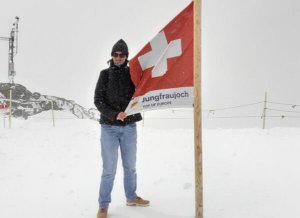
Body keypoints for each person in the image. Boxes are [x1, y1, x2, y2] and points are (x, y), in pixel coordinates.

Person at [94, 39, 150, 218]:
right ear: (112, 55)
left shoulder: (133, 74)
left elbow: (142, 92)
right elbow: (98, 100)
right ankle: (103, 206)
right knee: (109, 169)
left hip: (129, 127)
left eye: (122, 55)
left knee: (130, 166)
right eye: (115, 54)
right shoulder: (104, 75)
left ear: (126, 57)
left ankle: (131, 197)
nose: (118, 57)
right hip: (109, 128)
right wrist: (114, 114)